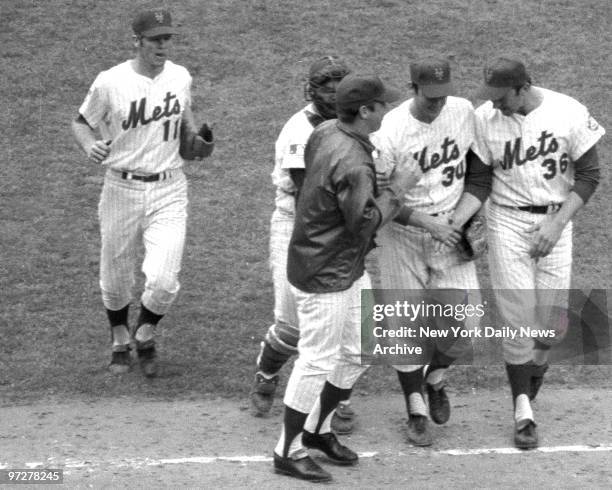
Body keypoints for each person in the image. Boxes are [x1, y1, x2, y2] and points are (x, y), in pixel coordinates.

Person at [272, 73, 421, 483]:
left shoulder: (325, 131)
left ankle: (317, 431)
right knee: (317, 359)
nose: (387, 111)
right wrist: (399, 189)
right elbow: (365, 223)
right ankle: (287, 450)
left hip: (340, 265)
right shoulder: (355, 160)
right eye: (381, 105)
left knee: (358, 350)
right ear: (365, 111)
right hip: (327, 272)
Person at [71, 9, 213, 377]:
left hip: (170, 188)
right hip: (121, 187)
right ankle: (120, 335)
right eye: (155, 40)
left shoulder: (180, 77)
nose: (163, 45)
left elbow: (186, 118)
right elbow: (82, 122)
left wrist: (196, 139)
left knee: (164, 279)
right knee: (116, 274)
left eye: (167, 38)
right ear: (138, 41)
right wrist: (89, 146)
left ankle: (146, 329)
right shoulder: (110, 82)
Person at [472, 57, 604, 449]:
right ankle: (522, 409)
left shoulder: (568, 112)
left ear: (522, 87)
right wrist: (468, 219)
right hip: (507, 224)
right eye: (491, 98)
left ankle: (531, 381)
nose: (495, 105)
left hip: (556, 221)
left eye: (502, 98)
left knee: (550, 327)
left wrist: (557, 223)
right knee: (517, 323)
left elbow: (590, 175)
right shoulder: (485, 118)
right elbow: (479, 177)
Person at [370, 58, 487, 447]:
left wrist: (456, 220)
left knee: (466, 327)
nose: (438, 103)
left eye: (443, 94)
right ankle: (414, 405)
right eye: (429, 95)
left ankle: (434, 378)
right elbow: (380, 200)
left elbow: (480, 174)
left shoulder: (463, 111)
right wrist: (428, 224)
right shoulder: (390, 130)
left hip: (450, 230)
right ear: (412, 88)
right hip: (402, 234)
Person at [249, 56, 356, 433]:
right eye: (328, 88)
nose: (335, 94)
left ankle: (333, 398)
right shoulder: (299, 129)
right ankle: (267, 370)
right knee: (293, 326)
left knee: (345, 322)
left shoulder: (352, 123)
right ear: (313, 91)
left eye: (341, 87)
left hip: (335, 227)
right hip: (296, 227)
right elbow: (304, 196)